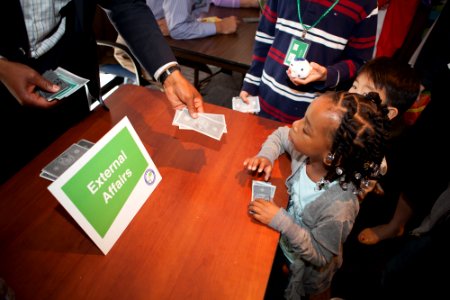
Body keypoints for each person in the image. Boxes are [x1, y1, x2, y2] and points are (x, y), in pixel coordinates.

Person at [0, 0, 204, 184]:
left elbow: (125, 4)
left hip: (73, 77)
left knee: (80, 178)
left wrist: (168, 73)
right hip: (6, 88)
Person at [244, 91, 390, 299]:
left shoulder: (340, 208)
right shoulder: (305, 153)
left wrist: (281, 221)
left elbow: (321, 255)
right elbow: (279, 135)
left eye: (306, 128)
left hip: (309, 273)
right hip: (283, 245)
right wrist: (265, 156)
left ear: (330, 157)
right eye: (304, 117)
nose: (295, 124)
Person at [239, 0, 378, 123]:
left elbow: (360, 61)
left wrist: (327, 75)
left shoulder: (366, 4)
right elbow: (265, 37)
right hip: (267, 100)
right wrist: (252, 82)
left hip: (314, 118)